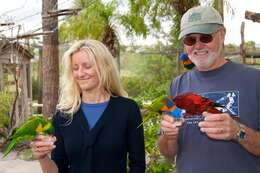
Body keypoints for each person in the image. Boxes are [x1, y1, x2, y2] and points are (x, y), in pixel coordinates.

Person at [158, 6, 260, 173]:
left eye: (205, 37)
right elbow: (167, 152)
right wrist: (168, 136)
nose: (198, 46)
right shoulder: (176, 86)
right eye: (190, 40)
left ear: (221, 34)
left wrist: (238, 132)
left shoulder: (255, 81)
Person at [30, 39, 146, 173]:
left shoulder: (128, 110)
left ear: (104, 67)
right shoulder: (63, 114)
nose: (80, 73)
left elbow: (138, 165)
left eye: (87, 66)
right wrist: (42, 157)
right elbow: (58, 169)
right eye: (75, 68)